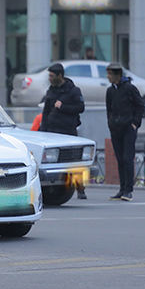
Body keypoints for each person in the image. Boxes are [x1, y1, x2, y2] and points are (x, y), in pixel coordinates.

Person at [40, 63, 87, 199]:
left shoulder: (73, 90)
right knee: (52, 162)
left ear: (60, 76)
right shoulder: (51, 91)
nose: (49, 78)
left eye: (52, 76)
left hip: (68, 131)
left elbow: (80, 107)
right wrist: (43, 130)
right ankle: (53, 189)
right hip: (52, 131)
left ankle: (80, 188)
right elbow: (46, 111)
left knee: (74, 160)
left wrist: (63, 107)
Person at [105, 62, 144, 201]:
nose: (108, 77)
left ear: (117, 75)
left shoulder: (130, 88)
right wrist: (110, 123)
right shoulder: (110, 91)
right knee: (120, 159)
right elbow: (109, 109)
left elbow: (140, 105)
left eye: (110, 74)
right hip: (115, 129)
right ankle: (121, 189)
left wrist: (135, 123)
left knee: (128, 159)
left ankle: (128, 190)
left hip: (128, 128)